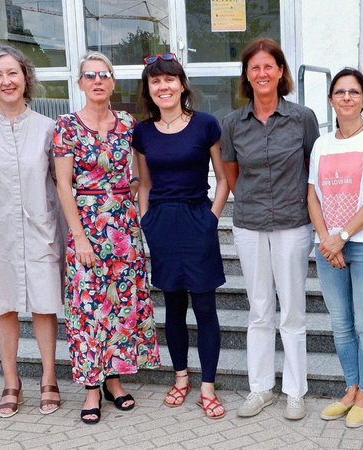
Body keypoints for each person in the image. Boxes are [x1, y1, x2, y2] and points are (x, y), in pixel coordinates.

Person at [52, 51, 160, 425]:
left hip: (124, 229)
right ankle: (91, 388)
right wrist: (79, 237)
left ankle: (114, 379)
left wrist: (130, 194)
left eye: (104, 75)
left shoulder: (128, 123)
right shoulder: (66, 125)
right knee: (87, 309)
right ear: (80, 83)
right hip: (87, 229)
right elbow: (63, 185)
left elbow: (137, 173)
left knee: (120, 306)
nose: (97, 81)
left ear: (113, 82)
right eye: (89, 75)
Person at [0, 45, 64, 418]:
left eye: (12, 73)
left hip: (40, 226)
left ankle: (49, 378)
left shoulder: (47, 128)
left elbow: (57, 179)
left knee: (44, 304)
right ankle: (11, 381)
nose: (6, 81)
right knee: (2, 304)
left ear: (25, 77)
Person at [221, 37, 320, 420]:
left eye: (269, 66)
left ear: (281, 72)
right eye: (254, 68)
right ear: (247, 76)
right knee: (259, 310)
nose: (262, 73)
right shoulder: (233, 123)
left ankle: (296, 391)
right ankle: (260, 388)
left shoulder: (302, 118)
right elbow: (232, 174)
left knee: (292, 311)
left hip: (293, 224)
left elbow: (315, 171)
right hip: (249, 223)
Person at [133, 53, 230, 419]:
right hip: (162, 223)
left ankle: (208, 385)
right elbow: (144, 182)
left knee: (204, 307)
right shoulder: (142, 132)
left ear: (181, 84)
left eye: (169, 79)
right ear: (149, 89)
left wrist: (211, 218)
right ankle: (180, 378)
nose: (163, 86)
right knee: (173, 306)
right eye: (156, 81)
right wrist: (147, 221)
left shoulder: (205, 125)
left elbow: (222, 179)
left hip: (197, 218)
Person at [307, 68, 363, 428]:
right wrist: (328, 239)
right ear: (330, 100)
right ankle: (350, 387)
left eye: (354, 92)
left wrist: (341, 235)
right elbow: (312, 195)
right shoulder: (322, 144)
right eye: (339, 92)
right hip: (328, 248)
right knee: (340, 326)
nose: (346, 98)